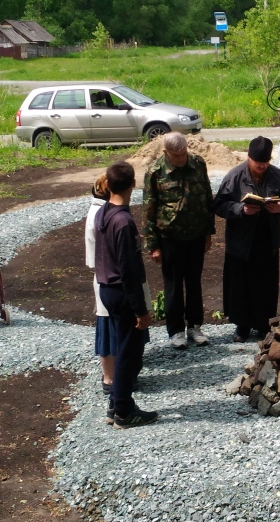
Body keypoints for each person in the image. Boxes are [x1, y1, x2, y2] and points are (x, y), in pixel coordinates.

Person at [213, 137, 280, 342]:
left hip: (267, 239)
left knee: (265, 284)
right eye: (258, 162)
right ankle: (241, 326)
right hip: (241, 241)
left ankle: (263, 324)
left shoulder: (276, 175)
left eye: (265, 162)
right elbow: (219, 205)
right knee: (240, 284)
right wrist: (241, 209)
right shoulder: (235, 176)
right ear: (249, 158)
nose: (262, 166)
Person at [95, 161, 157, 429]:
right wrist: (140, 309)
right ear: (134, 184)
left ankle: (117, 405)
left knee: (122, 348)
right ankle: (122, 411)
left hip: (106, 289)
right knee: (129, 353)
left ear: (107, 184)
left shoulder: (103, 213)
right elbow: (129, 270)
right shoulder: (124, 222)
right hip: (122, 292)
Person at [143, 132, 216, 350]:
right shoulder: (155, 171)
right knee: (173, 286)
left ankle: (195, 326)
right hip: (170, 238)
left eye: (183, 153)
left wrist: (208, 232)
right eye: (176, 155)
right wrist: (153, 245)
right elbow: (148, 208)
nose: (181, 158)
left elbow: (207, 196)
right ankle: (175, 331)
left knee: (194, 283)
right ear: (166, 153)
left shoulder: (197, 163)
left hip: (195, 235)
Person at [84, 174, 115, 396]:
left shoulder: (98, 210)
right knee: (110, 328)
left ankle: (112, 376)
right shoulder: (103, 214)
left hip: (104, 277)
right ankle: (111, 378)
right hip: (110, 279)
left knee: (109, 327)